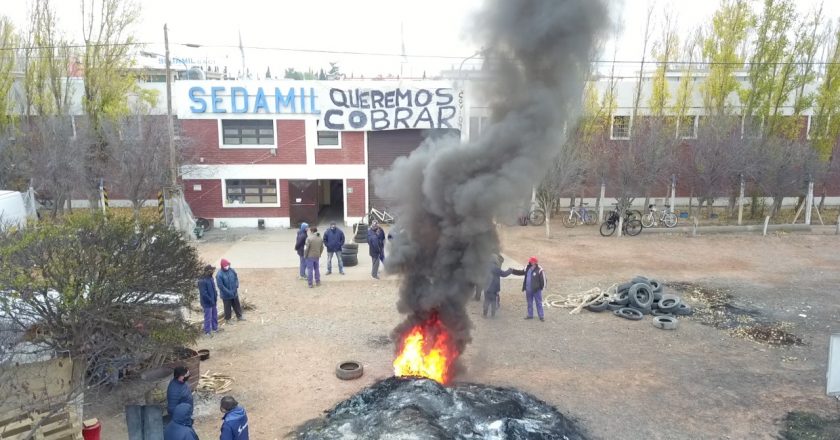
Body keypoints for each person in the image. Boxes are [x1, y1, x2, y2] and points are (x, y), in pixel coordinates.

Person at [512, 256, 547, 321]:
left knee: (538, 303)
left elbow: (544, 280)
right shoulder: (527, 267)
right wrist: (513, 271)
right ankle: (530, 315)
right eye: (530, 261)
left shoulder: (540, 269)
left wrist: (542, 288)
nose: (530, 262)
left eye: (531, 261)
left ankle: (541, 316)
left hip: (536, 290)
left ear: (535, 262)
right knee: (529, 303)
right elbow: (521, 272)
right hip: (528, 290)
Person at [198, 264, 220, 337]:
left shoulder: (211, 278)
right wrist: (210, 300)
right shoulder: (202, 281)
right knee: (208, 317)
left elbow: (214, 289)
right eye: (212, 270)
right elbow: (204, 293)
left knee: (214, 315)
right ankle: (207, 331)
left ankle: (215, 328)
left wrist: (215, 296)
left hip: (213, 301)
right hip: (207, 303)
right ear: (208, 271)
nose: (213, 272)